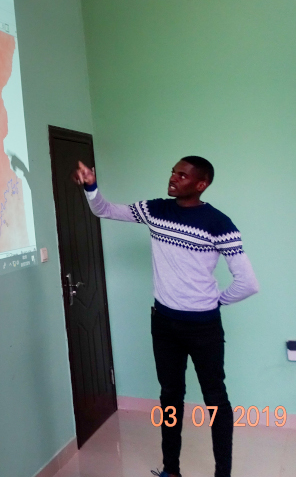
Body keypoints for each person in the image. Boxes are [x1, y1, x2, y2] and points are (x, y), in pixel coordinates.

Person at [73, 156, 259, 477]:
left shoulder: (219, 223)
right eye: (173, 172)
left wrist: (214, 302)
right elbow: (104, 210)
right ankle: (171, 470)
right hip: (163, 324)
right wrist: (91, 186)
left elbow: (248, 283)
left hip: (203, 327)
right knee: (170, 397)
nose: (173, 178)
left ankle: (223, 473)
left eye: (182, 175)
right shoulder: (156, 210)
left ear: (201, 184)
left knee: (215, 399)